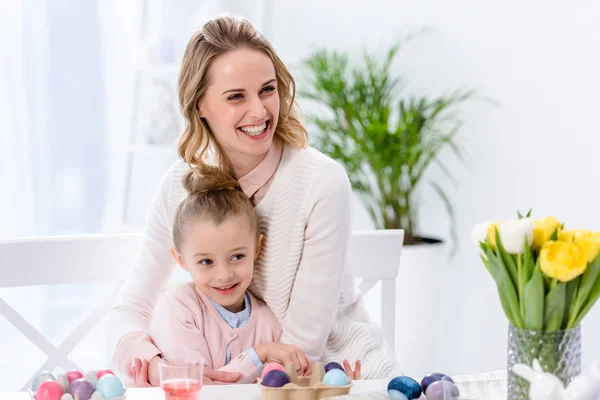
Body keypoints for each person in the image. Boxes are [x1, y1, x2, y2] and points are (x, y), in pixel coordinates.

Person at [107, 13, 394, 386]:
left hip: (337, 375)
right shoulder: (180, 185)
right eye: (236, 97)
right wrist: (156, 363)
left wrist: (221, 379)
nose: (259, 111)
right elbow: (131, 310)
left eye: (267, 89)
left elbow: (301, 349)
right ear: (199, 106)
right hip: (231, 384)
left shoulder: (322, 184)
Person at [145, 165, 315, 384]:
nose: (224, 275)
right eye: (206, 261)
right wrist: (258, 355)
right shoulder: (178, 307)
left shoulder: (269, 322)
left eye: (237, 257)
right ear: (181, 260)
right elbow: (198, 386)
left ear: (257, 249)